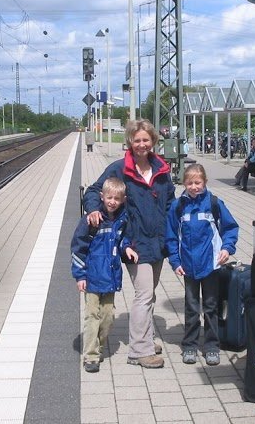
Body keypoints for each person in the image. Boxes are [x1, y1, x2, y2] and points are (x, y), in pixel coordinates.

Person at [83, 119, 175, 369]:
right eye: (137, 140)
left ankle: (144, 336)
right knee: (144, 294)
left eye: (146, 139)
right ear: (130, 142)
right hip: (133, 244)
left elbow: (170, 204)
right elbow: (93, 191)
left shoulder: (162, 170)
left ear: (153, 141)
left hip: (159, 243)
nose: (142, 144)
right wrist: (93, 210)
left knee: (150, 292)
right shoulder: (119, 169)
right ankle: (139, 350)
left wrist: (174, 234)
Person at [166, 164, 239, 366]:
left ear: (205, 182)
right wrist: (175, 261)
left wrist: (227, 248)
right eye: (189, 182)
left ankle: (211, 346)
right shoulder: (178, 206)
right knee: (191, 307)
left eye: (198, 182)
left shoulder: (214, 203)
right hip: (188, 266)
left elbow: (230, 227)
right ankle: (189, 345)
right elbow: (171, 236)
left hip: (211, 265)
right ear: (184, 183)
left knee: (210, 307)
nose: (194, 186)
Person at [71, 177, 138, 373]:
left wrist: (127, 248)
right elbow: (78, 249)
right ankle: (90, 355)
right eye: (109, 197)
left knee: (107, 317)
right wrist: (80, 276)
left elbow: (123, 238)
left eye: (117, 199)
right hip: (92, 278)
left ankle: (99, 347)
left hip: (110, 277)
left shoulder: (122, 220)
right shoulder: (91, 220)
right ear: (102, 196)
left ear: (123, 199)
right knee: (92, 315)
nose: (112, 202)